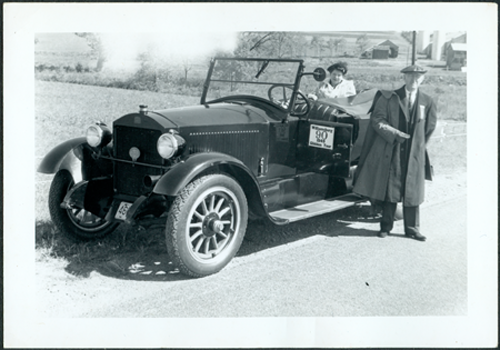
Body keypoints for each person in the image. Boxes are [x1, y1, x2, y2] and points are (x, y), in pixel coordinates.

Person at [352, 64, 437, 241]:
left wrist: (418, 146)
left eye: (418, 77)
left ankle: (412, 229)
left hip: (414, 153)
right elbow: (377, 120)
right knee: (391, 187)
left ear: (422, 79)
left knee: (412, 190)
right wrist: (395, 134)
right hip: (392, 149)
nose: (414, 80)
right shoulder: (389, 98)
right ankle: (386, 226)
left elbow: (429, 128)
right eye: (410, 76)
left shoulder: (428, 101)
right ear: (404, 77)